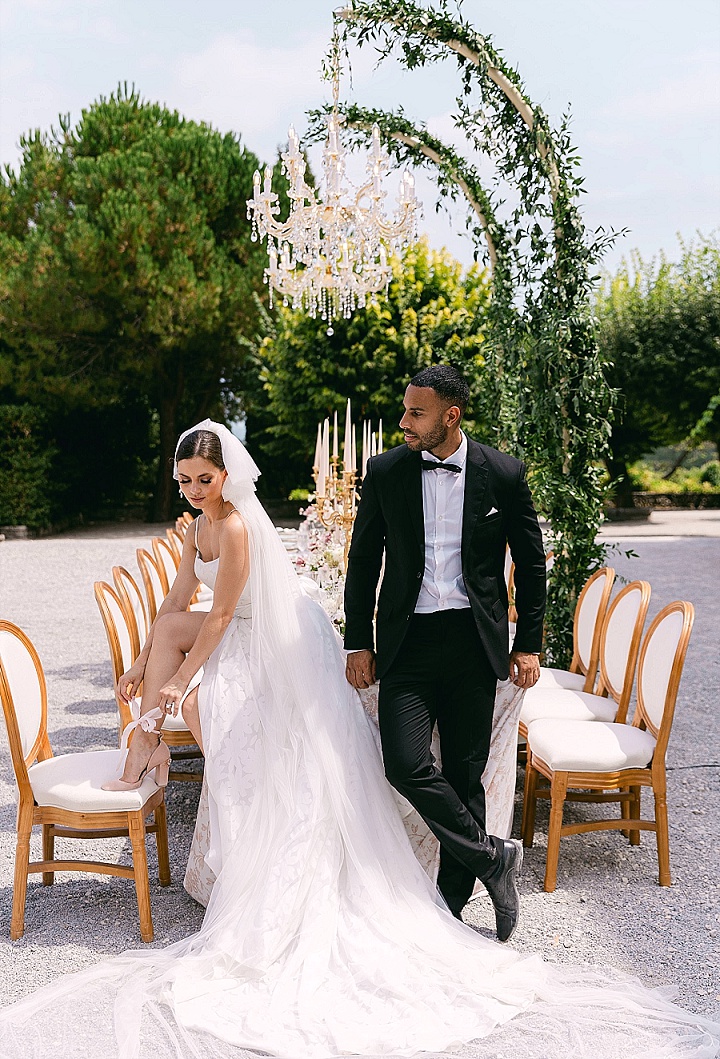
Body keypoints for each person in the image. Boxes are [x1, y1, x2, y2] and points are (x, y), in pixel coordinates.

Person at [0, 418, 716, 1059]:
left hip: (271, 640)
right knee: (164, 633)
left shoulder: (242, 527)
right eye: (183, 481)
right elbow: (178, 603)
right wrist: (143, 665)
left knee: (329, 746)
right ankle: (150, 745)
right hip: (240, 632)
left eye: (204, 479)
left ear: (228, 476)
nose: (192, 491)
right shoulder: (195, 528)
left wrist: (178, 683)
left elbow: (218, 622)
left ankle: (155, 747)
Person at [344, 364, 546, 937]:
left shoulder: (502, 474)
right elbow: (363, 562)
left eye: (416, 412)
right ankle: (492, 859)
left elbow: (531, 565)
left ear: (450, 416)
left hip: (471, 643)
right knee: (403, 762)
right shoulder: (385, 472)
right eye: (406, 410)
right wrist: (357, 638)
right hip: (406, 644)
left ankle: (453, 910)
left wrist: (528, 642)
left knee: (464, 773)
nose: (404, 421)